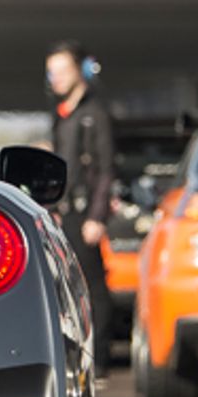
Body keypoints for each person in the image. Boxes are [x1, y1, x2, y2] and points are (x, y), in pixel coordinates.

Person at [46, 41, 114, 378]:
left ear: (81, 71)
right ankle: (75, 355)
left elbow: (105, 169)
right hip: (65, 213)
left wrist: (97, 217)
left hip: (87, 214)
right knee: (66, 287)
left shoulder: (95, 115)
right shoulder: (62, 116)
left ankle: (100, 360)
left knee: (93, 288)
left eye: (62, 71)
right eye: (51, 72)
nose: (55, 79)